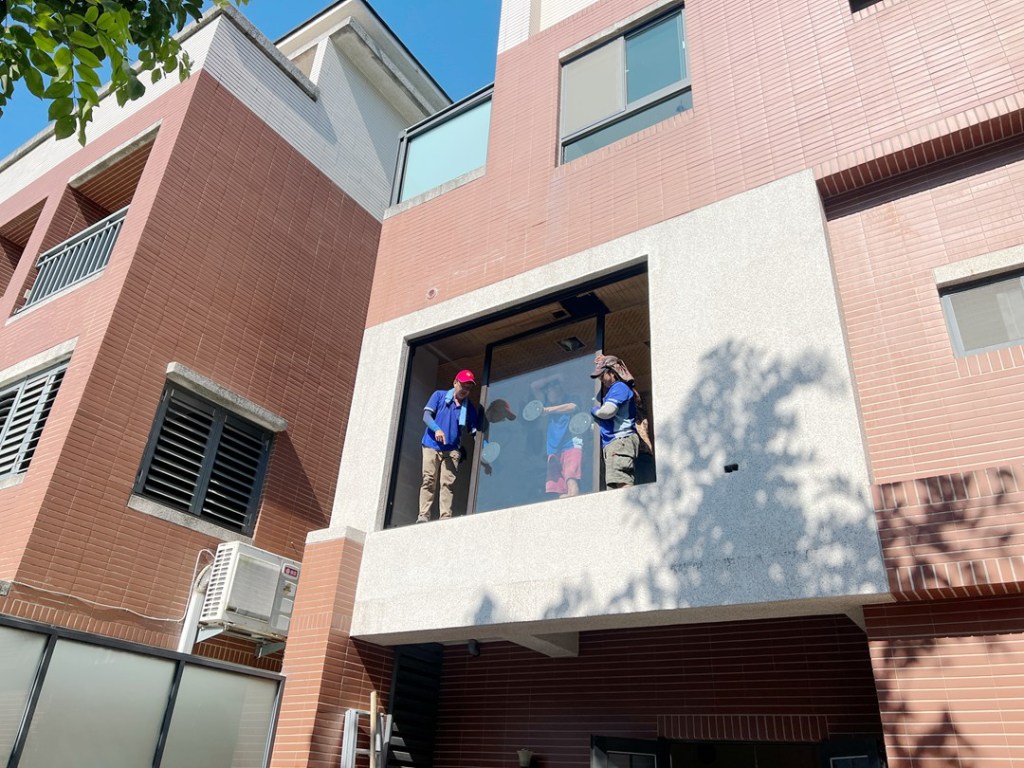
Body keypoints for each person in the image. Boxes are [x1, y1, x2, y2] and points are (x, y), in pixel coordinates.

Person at [419, 370, 480, 522]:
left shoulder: (469, 408)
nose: (465, 390)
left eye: (468, 388)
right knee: (428, 480)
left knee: (447, 483)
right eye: (463, 385)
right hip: (431, 445)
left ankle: (445, 517)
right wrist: (437, 429)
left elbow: (475, 432)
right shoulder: (439, 396)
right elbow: (426, 416)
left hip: (452, 450)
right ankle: (423, 515)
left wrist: (484, 449)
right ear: (455, 383)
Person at [590, 355, 639, 488]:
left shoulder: (619, 387)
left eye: (602, 375)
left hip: (619, 441)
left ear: (612, 372)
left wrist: (595, 410)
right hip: (617, 443)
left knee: (622, 484)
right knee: (616, 486)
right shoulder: (616, 389)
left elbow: (607, 412)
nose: (601, 379)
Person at [530, 373, 583, 497]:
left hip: (571, 445)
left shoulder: (571, 399)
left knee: (571, 478)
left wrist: (548, 410)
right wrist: (551, 378)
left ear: (559, 389)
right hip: (553, 449)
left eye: (551, 389)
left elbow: (573, 407)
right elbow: (534, 386)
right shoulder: (547, 403)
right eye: (547, 390)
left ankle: (575, 501)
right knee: (559, 487)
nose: (548, 392)